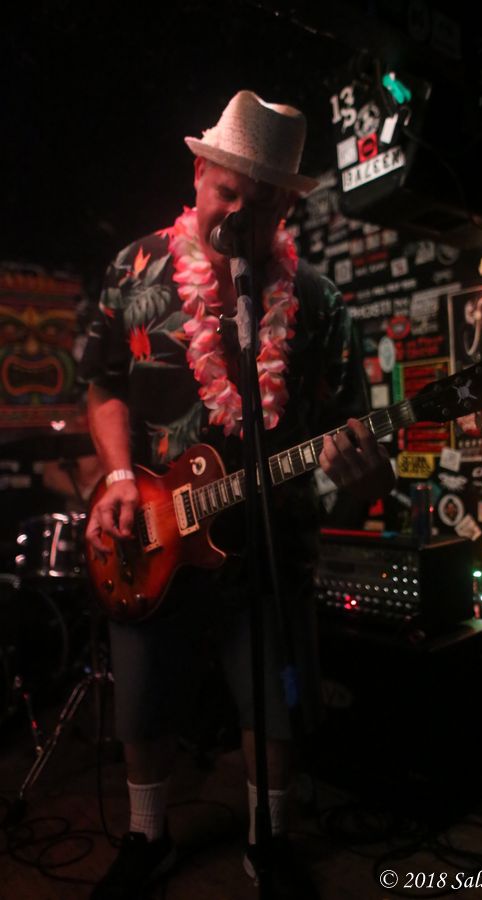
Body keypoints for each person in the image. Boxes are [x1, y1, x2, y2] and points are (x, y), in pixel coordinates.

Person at [80, 90, 394, 900]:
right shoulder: (136, 270)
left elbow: (351, 428)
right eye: (227, 192)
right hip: (152, 534)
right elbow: (101, 383)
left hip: (271, 546)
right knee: (143, 696)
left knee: (276, 701)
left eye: (262, 204)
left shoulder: (319, 304)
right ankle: (147, 837)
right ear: (199, 174)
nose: (239, 215)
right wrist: (119, 476)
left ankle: (270, 840)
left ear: (287, 206)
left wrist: (365, 475)